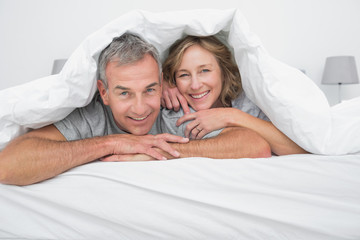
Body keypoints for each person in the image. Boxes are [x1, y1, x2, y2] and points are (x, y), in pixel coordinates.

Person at [0, 33, 271, 186]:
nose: (141, 108)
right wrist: (115, 143)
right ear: (104, 93)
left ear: (163, 84)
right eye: (124, 93)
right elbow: (8, 165)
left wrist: (155, 152)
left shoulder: (174, 110)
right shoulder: (90, 116)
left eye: (150, 90)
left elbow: (254, 144)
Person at [161, 35, 307, 156]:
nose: (195, 85)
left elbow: (300, 147)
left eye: (204, 71)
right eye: (184, 75)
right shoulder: (179, 111)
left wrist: (230, 116)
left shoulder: (249, 99)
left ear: (223, 72)